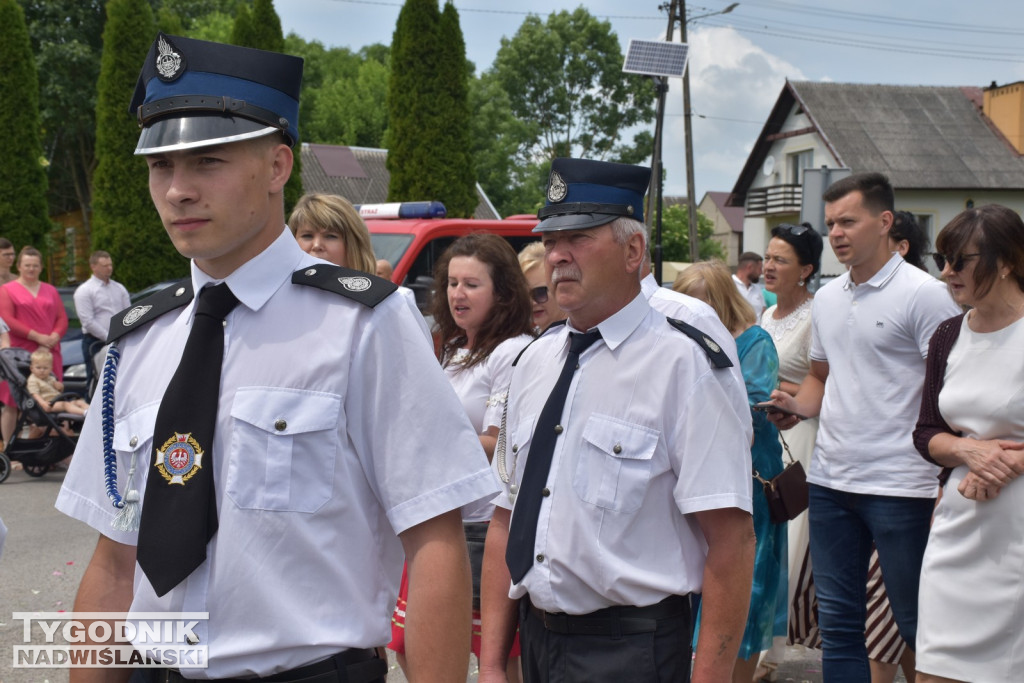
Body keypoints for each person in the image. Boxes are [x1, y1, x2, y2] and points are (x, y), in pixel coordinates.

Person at [55, 33, 498, 682]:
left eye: (207, 162)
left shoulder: (363, 325)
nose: (177, 190)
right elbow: (114, 560)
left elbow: (434, 541)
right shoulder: (138, 340)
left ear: (278, 167)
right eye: (160, 166)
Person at [479, 158, 755, 683]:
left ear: (633, 251)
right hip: (537, 642)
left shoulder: (684, 365)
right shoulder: (534, 361)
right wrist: (492, 664)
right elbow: (506, 516)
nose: (557, 255)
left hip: (632, 650)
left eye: (578, 238)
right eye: (551, 239)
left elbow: (732, 539)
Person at [766, 172, 959, 682]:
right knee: (840, 627)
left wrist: (946, 476)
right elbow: (820, 378)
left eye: (849, 221)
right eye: (831, 224)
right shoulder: (827, 299)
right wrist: (796, 405)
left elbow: (948, 392)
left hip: (903, 484)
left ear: (885, 221)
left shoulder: (925, 296)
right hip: (831, 481)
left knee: (920, 624)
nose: (837, 233)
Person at [390, 233, 534, 680]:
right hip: (440, 517)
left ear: (503, 293)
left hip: (481, 524)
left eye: (472, 284)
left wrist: (418, 437)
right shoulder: (455, 348)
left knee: (496, 661)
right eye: (452, 283)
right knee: (409, 646)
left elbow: (498, 441)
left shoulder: (511, 352)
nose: (456, 294)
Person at [912, 204, 1024, 683]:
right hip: (959, 522)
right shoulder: (947, 334)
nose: (947, 272)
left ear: (1005, 262)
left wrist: (1001, 463)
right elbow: (927, 432)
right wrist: (968, 453)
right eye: (943, 259)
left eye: (960, 260)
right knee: (937, 665)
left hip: (1017, 526)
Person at [674, 260, 786, 683]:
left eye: (698, 306)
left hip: (750, 478)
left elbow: (752, 409)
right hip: (700, 474)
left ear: (719, 304)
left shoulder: (754, 341)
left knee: (748, 581)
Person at [754, 223, 822, 682]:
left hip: (802, 436)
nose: (769, 266)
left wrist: (777, 388)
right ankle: (763, 643)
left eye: (780, 259)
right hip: (766, 436)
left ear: (806, 270)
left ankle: (769, 654)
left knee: (793, 543)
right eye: (767, 257)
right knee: (767, 542)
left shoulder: (819, 316)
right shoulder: (764, 316)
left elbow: (825, 385)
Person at [289, 192, 430, 342]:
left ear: (353, 246)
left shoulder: (388, 307)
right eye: (307, 236)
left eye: (330, 236)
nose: (317, 245)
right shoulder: (280, 302)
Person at [0, 246, 69, 447]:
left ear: (41, 268)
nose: (31, 269)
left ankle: (55, 447)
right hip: (20, 353)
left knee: (52, 397)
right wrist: (37, 336)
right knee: (13, 402)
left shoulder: (50, 290)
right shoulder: (7, 290)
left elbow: (62, 318)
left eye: (35, 265)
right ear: (19, 266)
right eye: (27, 265)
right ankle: (9, 449)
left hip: (49, 352)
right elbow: (7, 319)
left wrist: (54, 336)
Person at [73, 250, 131, 395]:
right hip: (95, 341)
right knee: (95, 380)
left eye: (110, 265)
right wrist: (109, 337)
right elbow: (87, 321)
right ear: (93, 267)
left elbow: (128, 313)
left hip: (120, 339)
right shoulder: (85, 290)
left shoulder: (119, 288)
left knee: (122, 378)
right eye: (104, 265)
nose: (109, 268)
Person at [516, 241, 566, 333]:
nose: (532, 302)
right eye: (524, 295)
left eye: (539, 292)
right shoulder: (528, 340)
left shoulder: (581, 339)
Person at [27, 347, 88, 416]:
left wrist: (60, 387)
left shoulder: (50, 378)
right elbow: (35, 395)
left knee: (79, 402)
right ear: (31, 368)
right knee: (65, 405)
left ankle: (92, 412)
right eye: (38, 368)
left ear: (51, 369)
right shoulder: (33, 380)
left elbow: (59, 391)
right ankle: (85, 413)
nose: (42, 370)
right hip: (47, 404)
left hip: (58, 400)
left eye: (45, 368)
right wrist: (43, 404)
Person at [734, 251, 765, 318]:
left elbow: (763, 311)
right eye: (759, 268)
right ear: (750, 267)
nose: (761, 272)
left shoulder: (757, 288)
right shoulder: (729, 285)